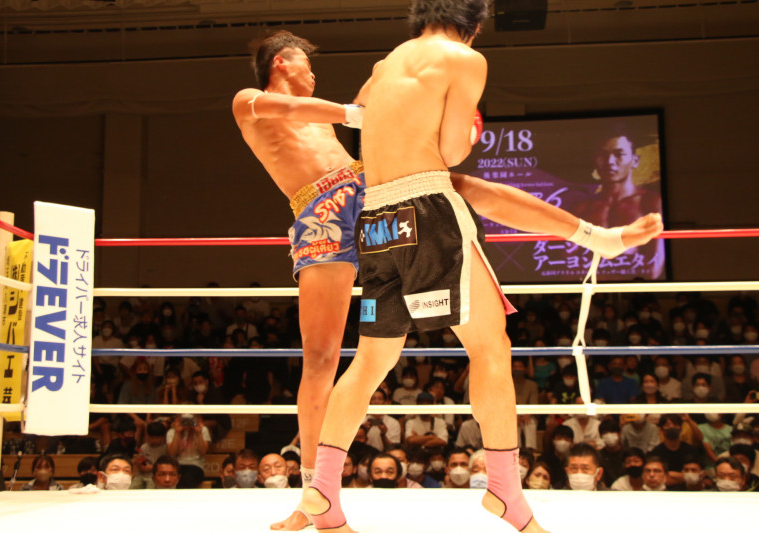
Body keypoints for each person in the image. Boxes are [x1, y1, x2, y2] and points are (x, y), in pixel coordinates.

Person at [237, 14, 660, 533]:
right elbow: (327, 112)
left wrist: (392, 111)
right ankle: (317, 490)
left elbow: (376, 113)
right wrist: (384, 115)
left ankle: (323, 491)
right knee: (332, 358)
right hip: (332, 211)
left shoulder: (377, 73)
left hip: (370, 201)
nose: (313, 73)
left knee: (377, 348)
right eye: (305, 64)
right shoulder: (252, 99)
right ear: (282, 61)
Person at [572, 123, 664, 278]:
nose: (610, 161)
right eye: (602, 154)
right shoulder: (583, 207)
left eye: (619, 154)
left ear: (635, 160)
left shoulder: (651, 202)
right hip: (589, 287)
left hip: (636, 287)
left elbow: (653, 269)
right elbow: (564, 268)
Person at [167, 414, 211, 488]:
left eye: (189, 420)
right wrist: (177, 432)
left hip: (196, 465)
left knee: (187, 478)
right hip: (177, 465)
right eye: (184, 420)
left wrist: (199, 433)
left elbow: (203, 452)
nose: (187, 422)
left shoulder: (203, 430)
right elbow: (172, 453)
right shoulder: (172, 431)